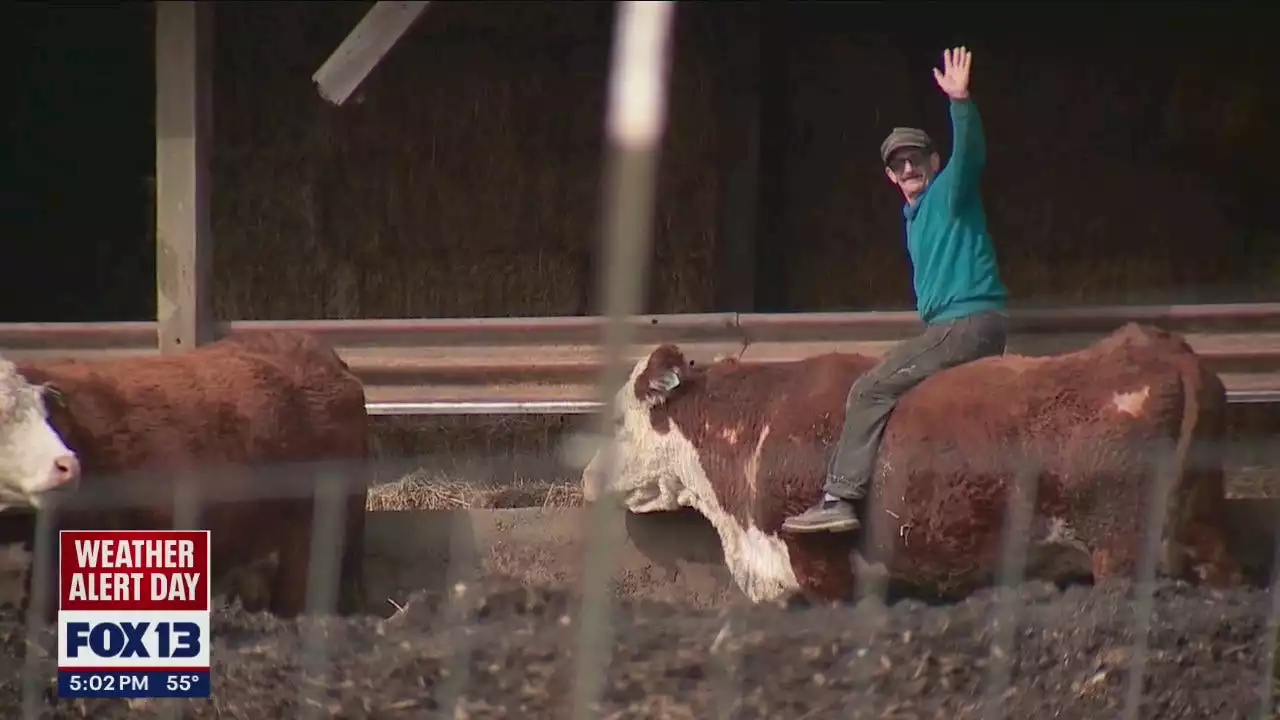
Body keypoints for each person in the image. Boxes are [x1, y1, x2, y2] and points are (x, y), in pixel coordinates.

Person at [782, 47, 1010, 535]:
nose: (909, 170)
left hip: (967, 324)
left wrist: (961, 102)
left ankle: (841, 496)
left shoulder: (950, 192)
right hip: (953, 327)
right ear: (889, 176)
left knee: (868, 388)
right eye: (899, 165)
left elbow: (970, 153)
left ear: (934, 162)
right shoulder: (914, 217)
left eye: (916, 160)